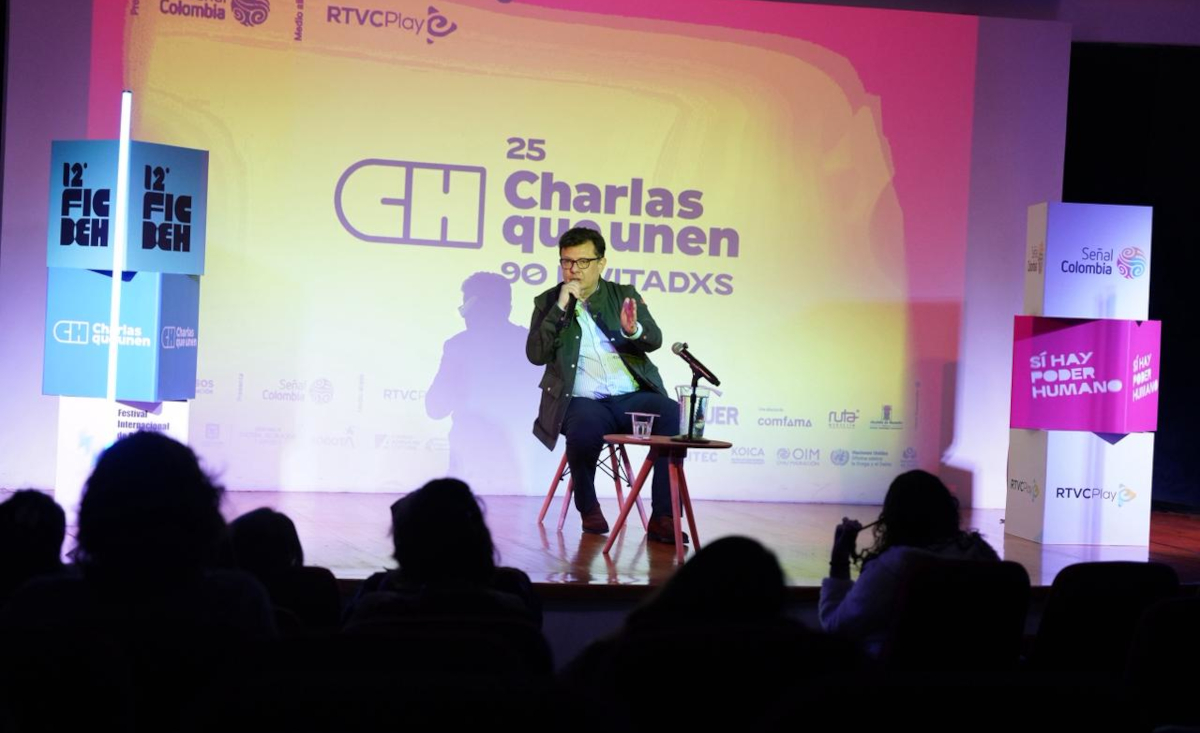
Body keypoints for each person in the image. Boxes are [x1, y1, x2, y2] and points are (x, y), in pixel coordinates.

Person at [525, 227, 682, 543]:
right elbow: (536, 355)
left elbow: (655, 340)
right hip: (581, 400)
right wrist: (559, 309)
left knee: (670, 413)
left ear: (601, 263)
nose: (574, 269)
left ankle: (663, 517)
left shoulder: (623, 294)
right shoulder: (548, 301)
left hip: (629, 397)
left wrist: (633, 330)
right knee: (583, 428)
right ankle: (588, 506)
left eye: (583, 262)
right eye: (567, 262)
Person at [819, 469, 999, 656]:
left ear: (891, 519)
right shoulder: (982, 554)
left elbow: (836, 628)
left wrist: (839, 558)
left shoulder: (894, 568)